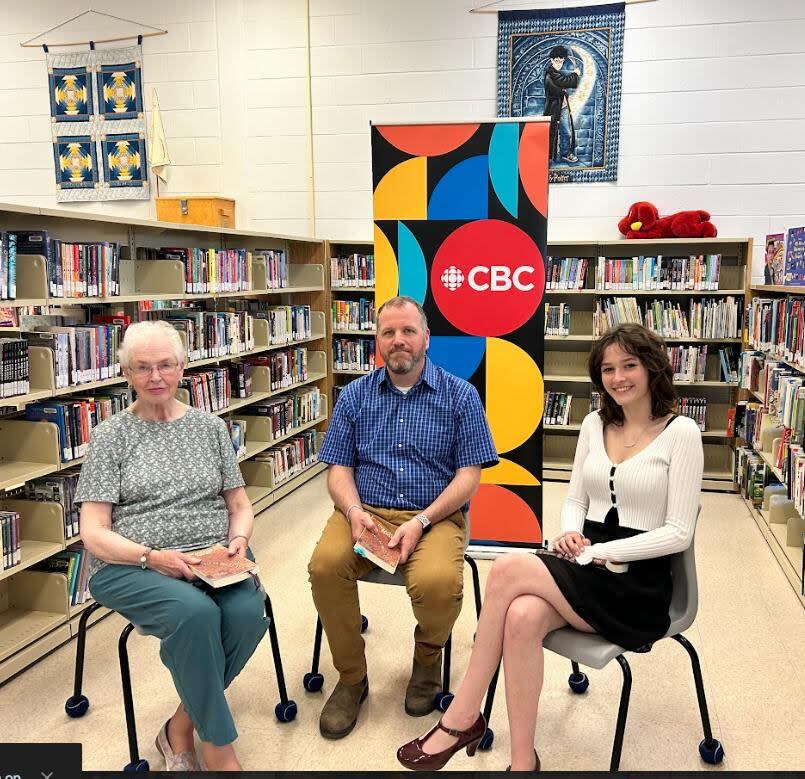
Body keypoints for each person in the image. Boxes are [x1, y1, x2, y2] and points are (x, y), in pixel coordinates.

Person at [397, 322, 703, 771]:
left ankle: (462, 715)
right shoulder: (596, 423)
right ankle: (523, 763)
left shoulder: (682, 433)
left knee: (505, 571)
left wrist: (602, 552)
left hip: (638, 586)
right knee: (520, 617)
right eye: (608, 369)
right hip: (587, 564)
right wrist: (569, 532)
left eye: (629, 366)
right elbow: (577, 498)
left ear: (652, 367)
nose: (618, 378)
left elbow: (678, 532)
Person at [75, 320, 265, 772]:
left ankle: (180, 725)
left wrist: (238, 541)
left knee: (244, 616)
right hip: (132, 562)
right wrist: (151, 557)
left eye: (165, 365)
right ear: (126, 373)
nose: (155, 377)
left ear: (183, 366)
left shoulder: (210, 428)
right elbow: (94, 531)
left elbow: (239, 503)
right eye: (143, 368)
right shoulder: (110, 437)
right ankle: (219, 748)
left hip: (212, 555)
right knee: (194, 615)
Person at [308, 295, 499, 740]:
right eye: (388, 332)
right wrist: (353, 511)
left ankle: (427, 662)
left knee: (437, 583)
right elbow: (339, 469)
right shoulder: (354, 395)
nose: (398, 341)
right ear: (376, 340)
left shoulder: (461, 395)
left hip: (433, 515)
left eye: (408, 331)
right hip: (365, 511)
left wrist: (423, 522)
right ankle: (352, 678)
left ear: (426, 338)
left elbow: (469, 477)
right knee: (324, 566)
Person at [542, 45, 580, 164]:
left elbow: (563, 83)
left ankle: (564, 153)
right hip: (553, 108)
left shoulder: (556, 74)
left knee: (566, 132)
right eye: (557, 61)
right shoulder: (550, 74)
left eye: (561, 61)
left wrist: (565, 85)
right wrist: (575, 74)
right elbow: (563, 82)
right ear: (552, 60)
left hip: (562, 107)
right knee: (551, 132)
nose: (559, 63)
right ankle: (548, 157)